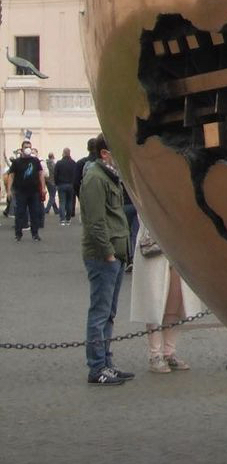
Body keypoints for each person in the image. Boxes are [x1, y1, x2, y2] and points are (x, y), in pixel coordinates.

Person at [79, 133, 135, 386]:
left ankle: (106, 362)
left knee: (109, 313)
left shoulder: (110, 177)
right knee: (100, 312)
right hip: (104, 256)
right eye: (117, 152)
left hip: (115, 253)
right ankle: (97, 367)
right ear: (104, 153)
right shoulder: (95, 178)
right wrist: (108, 253)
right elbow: (94, 221)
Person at [129, 224, 200, 374]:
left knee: (176, 301)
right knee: (154, 302)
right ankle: (155, 355)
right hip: (153, 242)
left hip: (178, 243)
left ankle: (169, 352)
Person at [5, 140, 47, 242]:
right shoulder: (17, 162)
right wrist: (9, 190)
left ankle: (35, 234)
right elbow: (11, 175)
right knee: (20, 213)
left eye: (29, 147)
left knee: (34, 213)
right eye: (26, 147)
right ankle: (18, 234)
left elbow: (41, 174)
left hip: (34, 192)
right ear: (22, 149)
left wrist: (43, 187)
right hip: (21, 192)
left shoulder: (35, 161)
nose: (28, 149)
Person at [54, 148, 78, 224]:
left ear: (63, 153)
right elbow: (75, 174)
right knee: (69, 202)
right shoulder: (73, 163)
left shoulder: (59, 163)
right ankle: (68, 219)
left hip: (61, 184)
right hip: (71, 185)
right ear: (69, 153)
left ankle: (62, 219)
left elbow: (55, 174)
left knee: (62, 202)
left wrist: (56, 183)